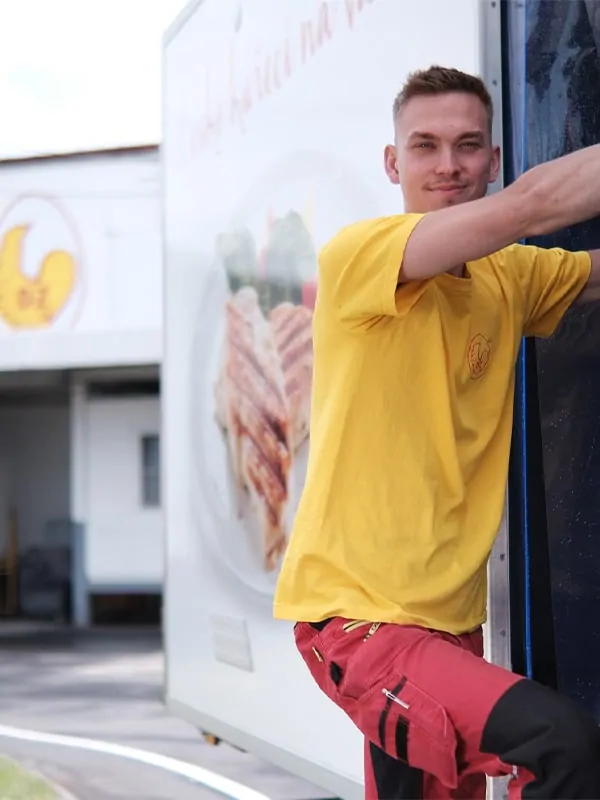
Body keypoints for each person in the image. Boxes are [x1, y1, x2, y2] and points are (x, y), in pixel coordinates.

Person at [272, 66, 600, 799]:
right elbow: (531, 205)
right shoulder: (360, 257)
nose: (448, 164)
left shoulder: (507, 278)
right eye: (425, 145)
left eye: (468, 145)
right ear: (394, 163)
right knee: (563, 744)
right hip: (362, 625)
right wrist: (522, 203)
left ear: (492, 159)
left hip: (448, 628)